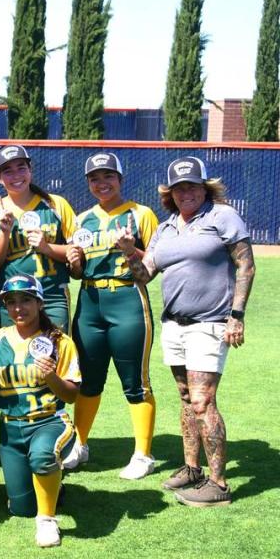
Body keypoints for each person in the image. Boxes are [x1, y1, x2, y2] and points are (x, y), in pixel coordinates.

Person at [126, 157, 255, 507]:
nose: (186, 193)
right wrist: (128, 252)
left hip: (211, 323)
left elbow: (245, 264)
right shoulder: (166, 228)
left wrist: (237, 315)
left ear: (204, 187)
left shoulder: (222, 216)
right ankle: (192, 468)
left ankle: (219, 484)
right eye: (179, 188)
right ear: (170, 194)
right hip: (174, 324)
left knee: (202, 401)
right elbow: (145, 273)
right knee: (185, 398)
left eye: (192, 186)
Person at [62, 153, 159, 479]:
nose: (102, 184)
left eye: (108, 177)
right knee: (87, 379)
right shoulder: (82, 218)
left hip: (127, 298)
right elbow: (76, 272)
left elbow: (152, 268)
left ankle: (143, 454)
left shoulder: (140, 214)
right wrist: (74, 261)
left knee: (135, 382)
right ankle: (80, 444)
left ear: (120, 178)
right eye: (95, 178)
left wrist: (130, 249)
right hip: (89, 302)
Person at [0, 274, 81, 548]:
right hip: (11, 427)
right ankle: (52, 485)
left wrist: (51, 377)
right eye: (11, 302)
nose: (18, 308)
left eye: (26, 300)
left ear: (40, 302)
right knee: (20, 507)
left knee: (43, 456)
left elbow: (71, 394)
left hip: (49, 422)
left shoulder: (59, 341)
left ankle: (47, 520)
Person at [0, 145, 77, 331]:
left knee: (55, 355)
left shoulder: (55, 204)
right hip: (12, 297)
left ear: (30, 169)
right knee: (16, 357)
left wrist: (46, 247)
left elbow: (77, 252)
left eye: (21, 167)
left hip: (51, 296)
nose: (16, 175)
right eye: (8, 171)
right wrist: (4, 232)